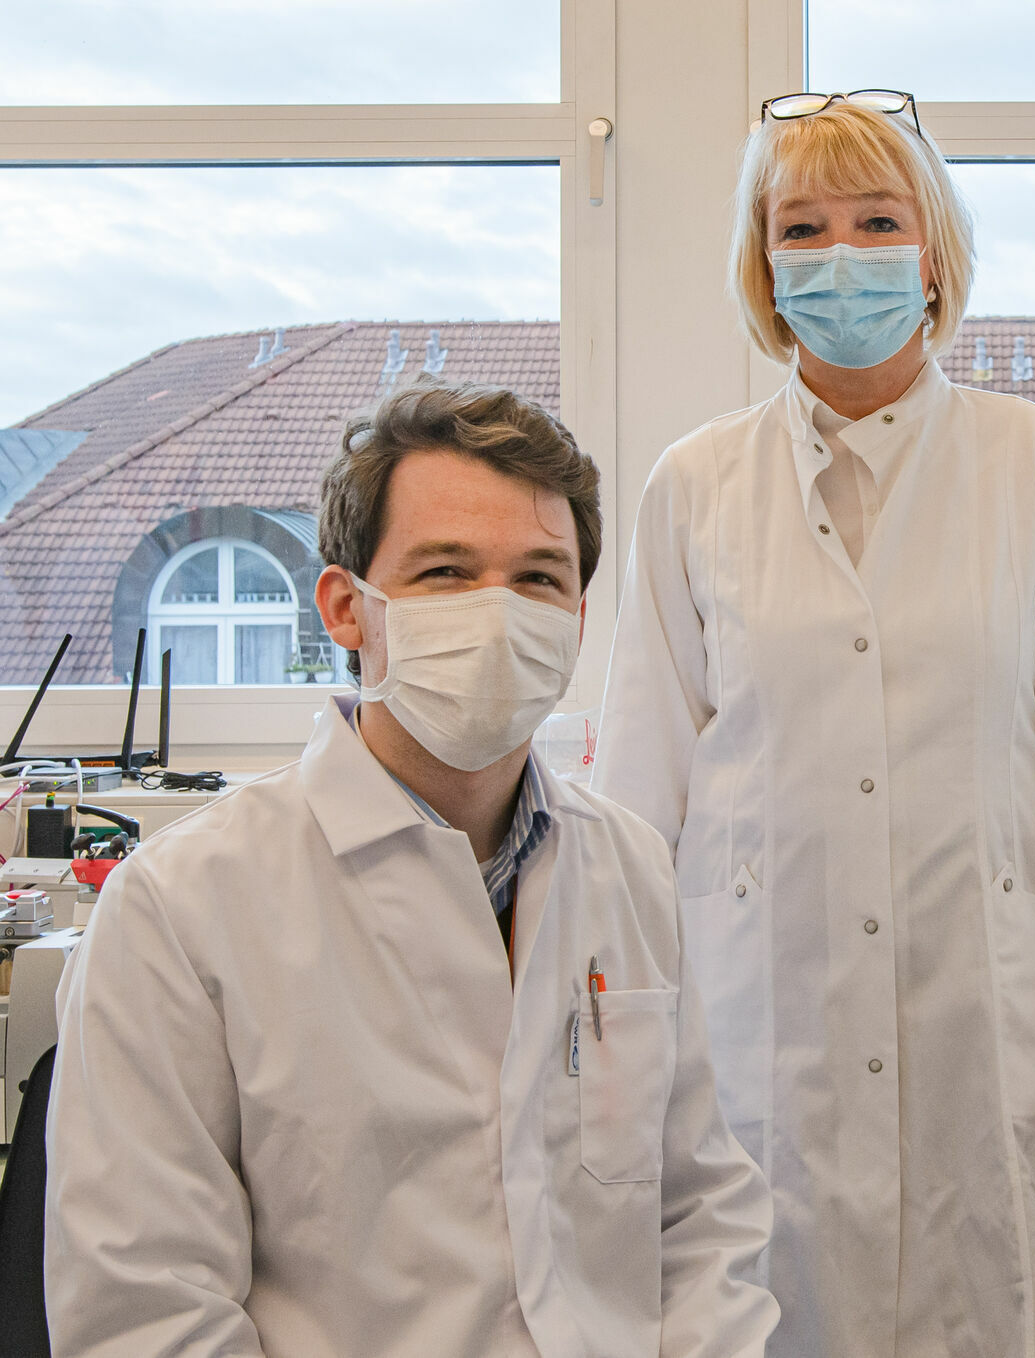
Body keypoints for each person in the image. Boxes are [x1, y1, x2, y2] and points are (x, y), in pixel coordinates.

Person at [595, 92, 1035, 1357]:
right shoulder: (694, 485)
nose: (841, 252)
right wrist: (614, 1034)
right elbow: (639, 787)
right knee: (766, 1304)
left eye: (876, 219)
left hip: (988, 1021)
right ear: (763, 262)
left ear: (933, 251)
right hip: (759, 1024)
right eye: (801, 226)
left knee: (990, 1311)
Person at [44, 380, 779, 1357]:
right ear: (348, 608)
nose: (499, 612)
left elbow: (704, 1217)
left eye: (537, 578)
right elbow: (146, 1309)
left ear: (578, 615)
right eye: (444, 571)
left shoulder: (630, 866)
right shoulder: (183, 906)